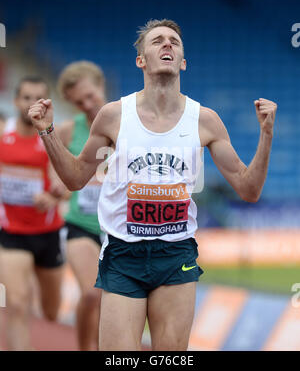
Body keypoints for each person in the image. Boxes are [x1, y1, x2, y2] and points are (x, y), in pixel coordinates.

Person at [28, 19, 277, 351]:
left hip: (176, 255)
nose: (167, 45)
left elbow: (249, 190)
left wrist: (266, 134)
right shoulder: (114, 115)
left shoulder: (205, 120)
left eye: (174, 41)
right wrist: (46, 131)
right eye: (157, 41)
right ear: (140, 60)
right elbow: (75, 179)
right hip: (123, 253)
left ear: (183, 61)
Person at [0, 76, 65, 351]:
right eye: (26, 97)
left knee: (51, 312)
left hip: (48, 233)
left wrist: (53, 196)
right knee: (16, 303)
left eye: (38, 98)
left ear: (46, 103)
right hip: (11, 233)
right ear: (16, 101)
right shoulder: (3, 133)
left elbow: (67, 182)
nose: (31, 104)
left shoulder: (52, 135)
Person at [56, 61, 106, 350]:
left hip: (121, 230)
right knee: (91, 294)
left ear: (101, 86)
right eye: (79, 102)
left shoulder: (129, 124)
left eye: (91, 96)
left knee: (114, 302)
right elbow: (54, 173)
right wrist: (57, 189)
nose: (87, 105)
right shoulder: (66, 131)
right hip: (80, 225)